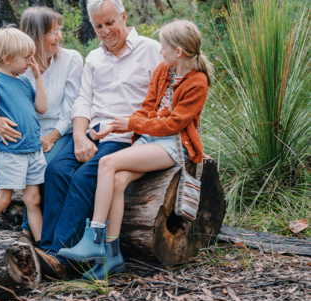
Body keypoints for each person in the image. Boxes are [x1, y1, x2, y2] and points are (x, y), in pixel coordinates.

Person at [58, 20, 213, 280]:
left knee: (108, 164)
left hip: (174, 144)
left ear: (179, 51)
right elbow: (146, 108)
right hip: (150, 139)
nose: (160, 51)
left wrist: (131, 123)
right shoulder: (164, 70)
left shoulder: (198, 82)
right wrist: (115, 128)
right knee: (118, 180)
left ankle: (94, 238)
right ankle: (113, 254)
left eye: (164, 46)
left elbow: (175, 123)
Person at [35, 0, 163, 280]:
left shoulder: (151, 50)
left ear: (123, 17)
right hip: (91, 131)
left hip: (124, 135)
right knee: (57, 169)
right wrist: (79, 136)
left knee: (83, 178)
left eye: (109, 23)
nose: (105, 32)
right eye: (98, 26)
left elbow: (159, 104)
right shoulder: (94, 57)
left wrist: (129, 126)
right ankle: (44, 250)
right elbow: (82, 101)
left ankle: (61, 259)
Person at [0, 7, 83, 239]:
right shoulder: (17, 65)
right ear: (35, 36)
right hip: (21, 139)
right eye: (53, 32)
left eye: (59, 30)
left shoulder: (69, 60)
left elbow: (69, 108)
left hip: (56, 133)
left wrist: (51, 136)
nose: (60, 37)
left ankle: (32, 233)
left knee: (42, 177)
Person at [0, 27, 48, 240]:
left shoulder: (24, 81)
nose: (30, 61)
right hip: (11, 151)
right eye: (26, 57)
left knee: (33, 200)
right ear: (7, 59)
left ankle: (44, 248)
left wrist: (37, 77)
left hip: (33, 150)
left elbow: (42, 107)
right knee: (2, 200)